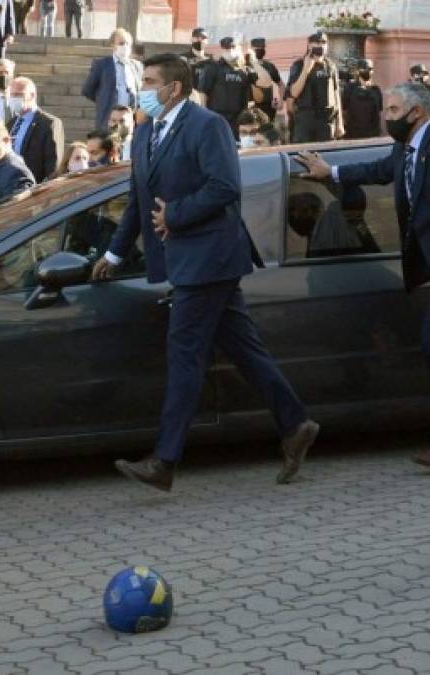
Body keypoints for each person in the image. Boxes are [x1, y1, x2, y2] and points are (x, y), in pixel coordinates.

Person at [91, 53, 319, 492]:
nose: (142, 90)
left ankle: (165, 460)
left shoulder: (207, 124)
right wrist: (116, 254)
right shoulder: (144, 131)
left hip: (210, 257)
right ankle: (295, 423)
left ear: (173, 88)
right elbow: (139, 199)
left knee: (185, 355)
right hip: (184, 260)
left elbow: (224, 187)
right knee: (244, 349)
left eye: (150, 81)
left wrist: (176, 216)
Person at [296, 83, 430, 465]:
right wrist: (330, 171)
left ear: (416, 113)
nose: (385, 116)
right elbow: (378, 170)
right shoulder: (405, 147)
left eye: (391, 109)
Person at [287, 31, 344, 143]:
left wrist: (339, 123)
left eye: (323, 43)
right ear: (309, 45)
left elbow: (336, 93)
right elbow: (293, 93)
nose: (320, 46)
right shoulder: (299, 65)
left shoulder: (330, 65)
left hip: (326, 120)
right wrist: (306, 70)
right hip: (305, 120)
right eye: (316, 43)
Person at [199, 36, 260, 139]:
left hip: (238, 119)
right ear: (222, 49)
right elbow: (203, 92)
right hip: (217, 117)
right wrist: (204, 116)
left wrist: (253, 63)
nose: (230, 50)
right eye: (226, 48)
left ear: (238, 48)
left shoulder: (245, 71)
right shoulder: (213, 67)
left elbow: (256, 95)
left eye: (232, 47)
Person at [82, 28, 142, 133]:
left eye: (128, 44)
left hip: (131, 121)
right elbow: (87, 90)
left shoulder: (137, 66)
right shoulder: (102, 65)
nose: (125, 47)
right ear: (113, 45)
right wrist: (103, 99)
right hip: (108, 121)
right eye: (121, 43)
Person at [7, 76, 64, 182]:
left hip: (35, 186)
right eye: (12, 95)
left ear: (32, 95)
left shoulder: (49, 123)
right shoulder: (10, 123)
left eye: (19, 94)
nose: (14, 98)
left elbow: (53, 164)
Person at [342, 58, 382, 140]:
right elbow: (344, 110)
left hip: (372, 134)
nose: (367, 71)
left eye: (370, 69)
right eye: (364, 68)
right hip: (353, 134)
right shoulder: (349, 88)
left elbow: (379, 112)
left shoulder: (376, 89)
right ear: (357, 71)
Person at [248, 37, 284, 122]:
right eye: (257, 48)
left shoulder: (270, 66)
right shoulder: (245, 65)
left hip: (268, 107)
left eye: (262, 48)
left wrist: (280, 100)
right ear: (251, 49)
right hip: (251, 106)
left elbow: (280, 84)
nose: (260, 50)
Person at [183, 27, 212, 94]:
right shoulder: (183, 59)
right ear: (191, 39)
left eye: (203, 38)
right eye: (197, 37)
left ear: (207, 41)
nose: (200, 40)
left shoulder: (212, 62)